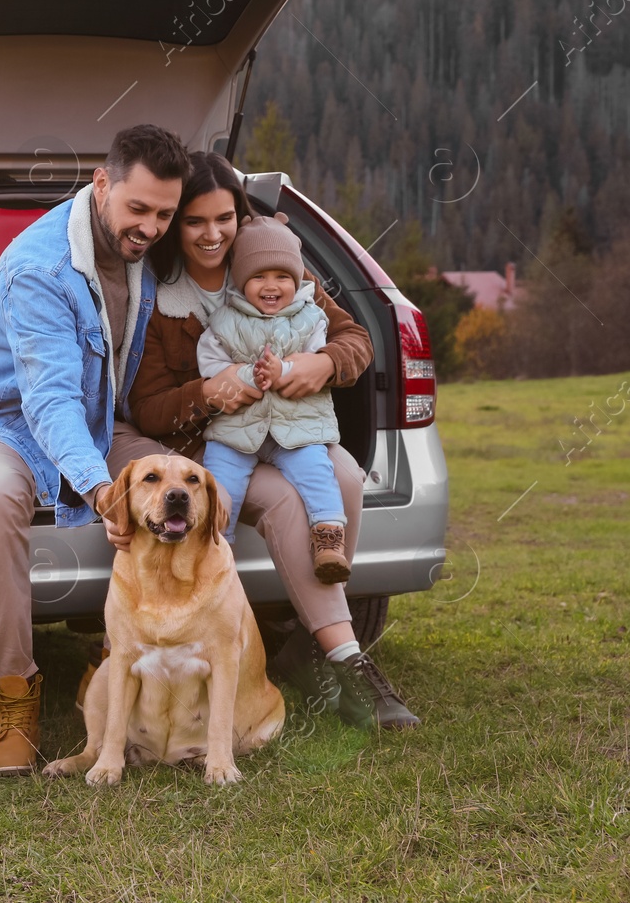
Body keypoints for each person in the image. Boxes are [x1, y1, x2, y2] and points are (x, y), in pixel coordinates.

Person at [127, 151, 419, 731]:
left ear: (242, 215)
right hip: (214, 445)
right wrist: (208, 393)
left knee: (345, 477)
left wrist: (324, 362)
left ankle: (313, 649)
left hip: (290, 428)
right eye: (194, 221)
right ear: (173, 223)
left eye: (225, 218)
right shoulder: (161, 299)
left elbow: (355, 339)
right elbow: (147, 408)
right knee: (287, 501)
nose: (213, 235)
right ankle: (337, 656)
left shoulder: (275, 268)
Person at [0, 123, 191, 777]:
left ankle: (152, 666)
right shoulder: (40, 267)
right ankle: (14, 697)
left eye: (164, 213)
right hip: (10, 422)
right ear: (102, 184)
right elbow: (48, 401)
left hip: (98, 417)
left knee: (179, 482)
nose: (149, 226)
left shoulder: (148, 252)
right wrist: (100, 487)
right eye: (138, 208)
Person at [195, 211, 350, 582]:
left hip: (296, 427)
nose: (272, 285)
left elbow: (317, 359)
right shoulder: (224, 320)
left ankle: (328, 538)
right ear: (240, 280)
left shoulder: (311, 318)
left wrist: (286, 372)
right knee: (220, 483)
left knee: (317, 472)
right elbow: (210, 364)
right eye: (259, 276)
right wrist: (247, 376)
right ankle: (216, 549)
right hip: (237, 429)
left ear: (296, 281)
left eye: (283, 277)